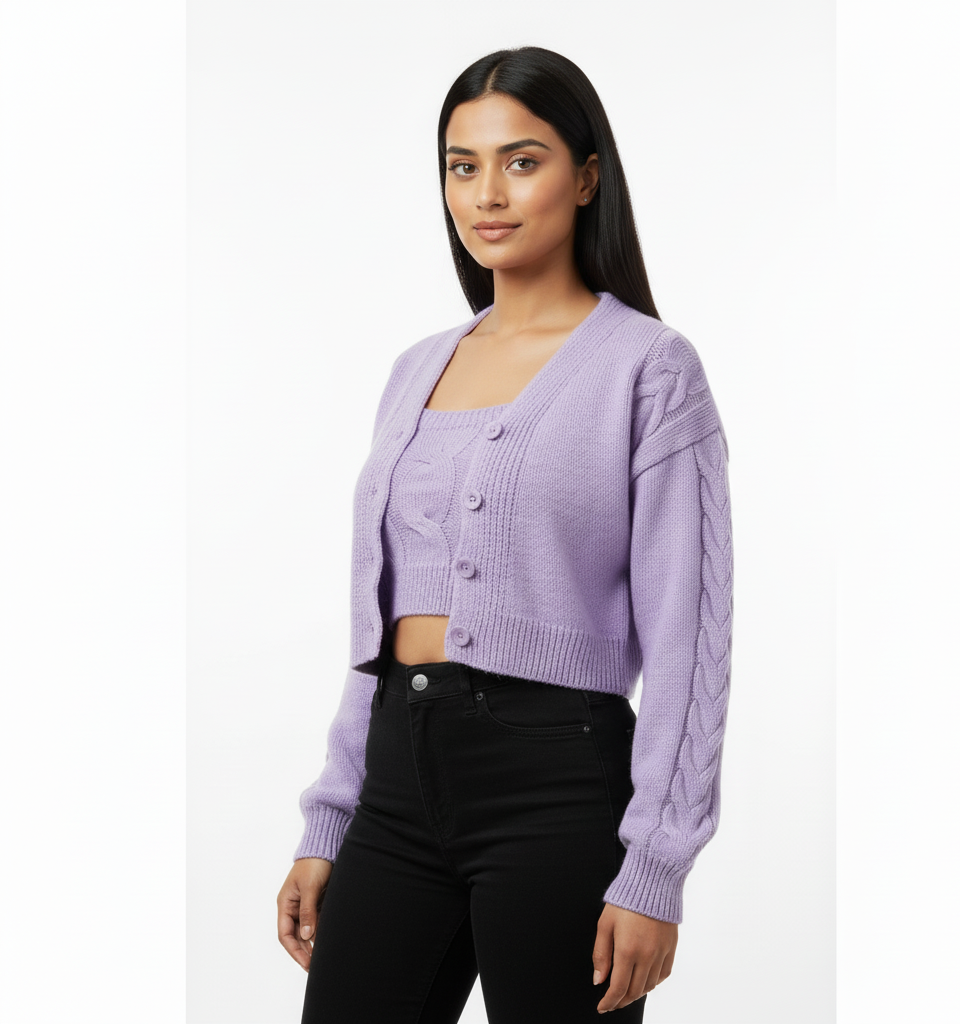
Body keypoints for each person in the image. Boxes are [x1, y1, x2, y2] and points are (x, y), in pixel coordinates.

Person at [276, 45, 734, 1024]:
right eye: (462, 165)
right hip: (397, 782)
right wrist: (331, 816)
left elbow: (689, 640)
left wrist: (656, 865)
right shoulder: (416, 367)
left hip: (556, 785)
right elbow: (379, 630)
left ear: (587, 177)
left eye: (522, 161)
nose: (487, 193)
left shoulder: (650, 368)